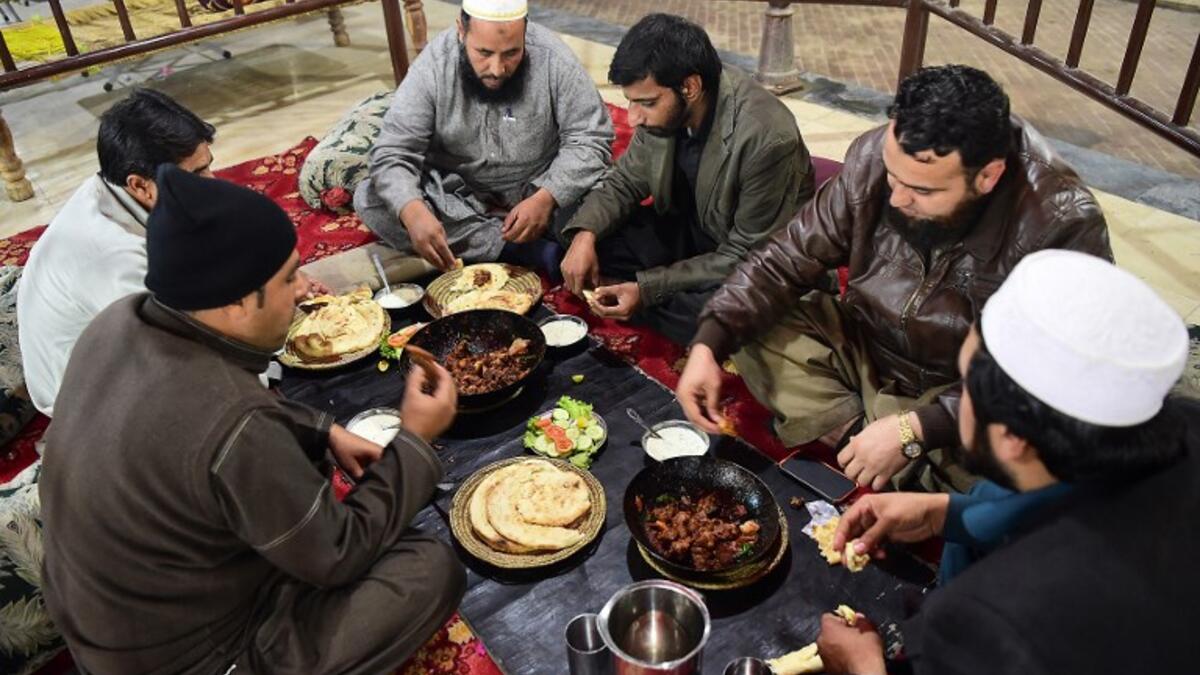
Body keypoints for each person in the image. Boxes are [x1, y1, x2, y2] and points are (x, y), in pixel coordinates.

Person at [39, 166, 466, 674]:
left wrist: (323, 429)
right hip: (190, 656)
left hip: (120, 618)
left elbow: (229, 409)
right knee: (430, 569)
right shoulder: (234, 421)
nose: (305, 290)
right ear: (238, 301)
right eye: (288, 278)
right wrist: (415, 438)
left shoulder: (121, 320)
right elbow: (338, 555)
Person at [676, 65, 1112, 492]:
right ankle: (871, 446)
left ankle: (883, 449)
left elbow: (1046, 372)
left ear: (988, 176)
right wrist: (708, 345)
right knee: (757, 322)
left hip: (961, 391)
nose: (898, 198)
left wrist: (917, 428)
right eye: (893, 177)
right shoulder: (873, 160)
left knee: (1034, 458)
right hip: (869, 347)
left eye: (923, 191)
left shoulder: (1060, 221)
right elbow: (782, 261)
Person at [815, 249, 1196, 674]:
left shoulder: (995, 619)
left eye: (965, 386)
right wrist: (945, 513)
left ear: (1012, 437)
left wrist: (861, 666)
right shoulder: (1183, 424)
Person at [559, 13, 815, 345]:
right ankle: (648, 295)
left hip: (750, 262)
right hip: (690, 233)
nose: (633, 117)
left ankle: (648, 301)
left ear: (690, 87)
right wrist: (585, 235)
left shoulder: (767, 138)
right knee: (572, 217)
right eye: (631, 102)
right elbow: (624, 182)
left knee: (723, 314)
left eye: (647, 103)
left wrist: (648, 289)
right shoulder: (663, 113)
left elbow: (745, 255)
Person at [354, 0, 613, 274]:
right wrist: (413, 212)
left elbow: (592, 137)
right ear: (461, 31)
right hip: (457, 198)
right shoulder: (433, 67)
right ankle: (518, 249)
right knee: (372, 199)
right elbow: (393, 151)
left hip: (540, 189)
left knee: (607, 201)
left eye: (512, 53)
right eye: (484, 52)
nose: (497, 68)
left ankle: (491, 243)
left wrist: (548, 196)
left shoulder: (553, 59)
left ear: (526, 32)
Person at [17, 88, 215, 416]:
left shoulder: (114, 184)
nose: (213, 182)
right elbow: (184, 357)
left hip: (121, 336)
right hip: (84, 397)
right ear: (139, 185)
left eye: (208, 166)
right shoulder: (114, 257)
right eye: (196, 174)